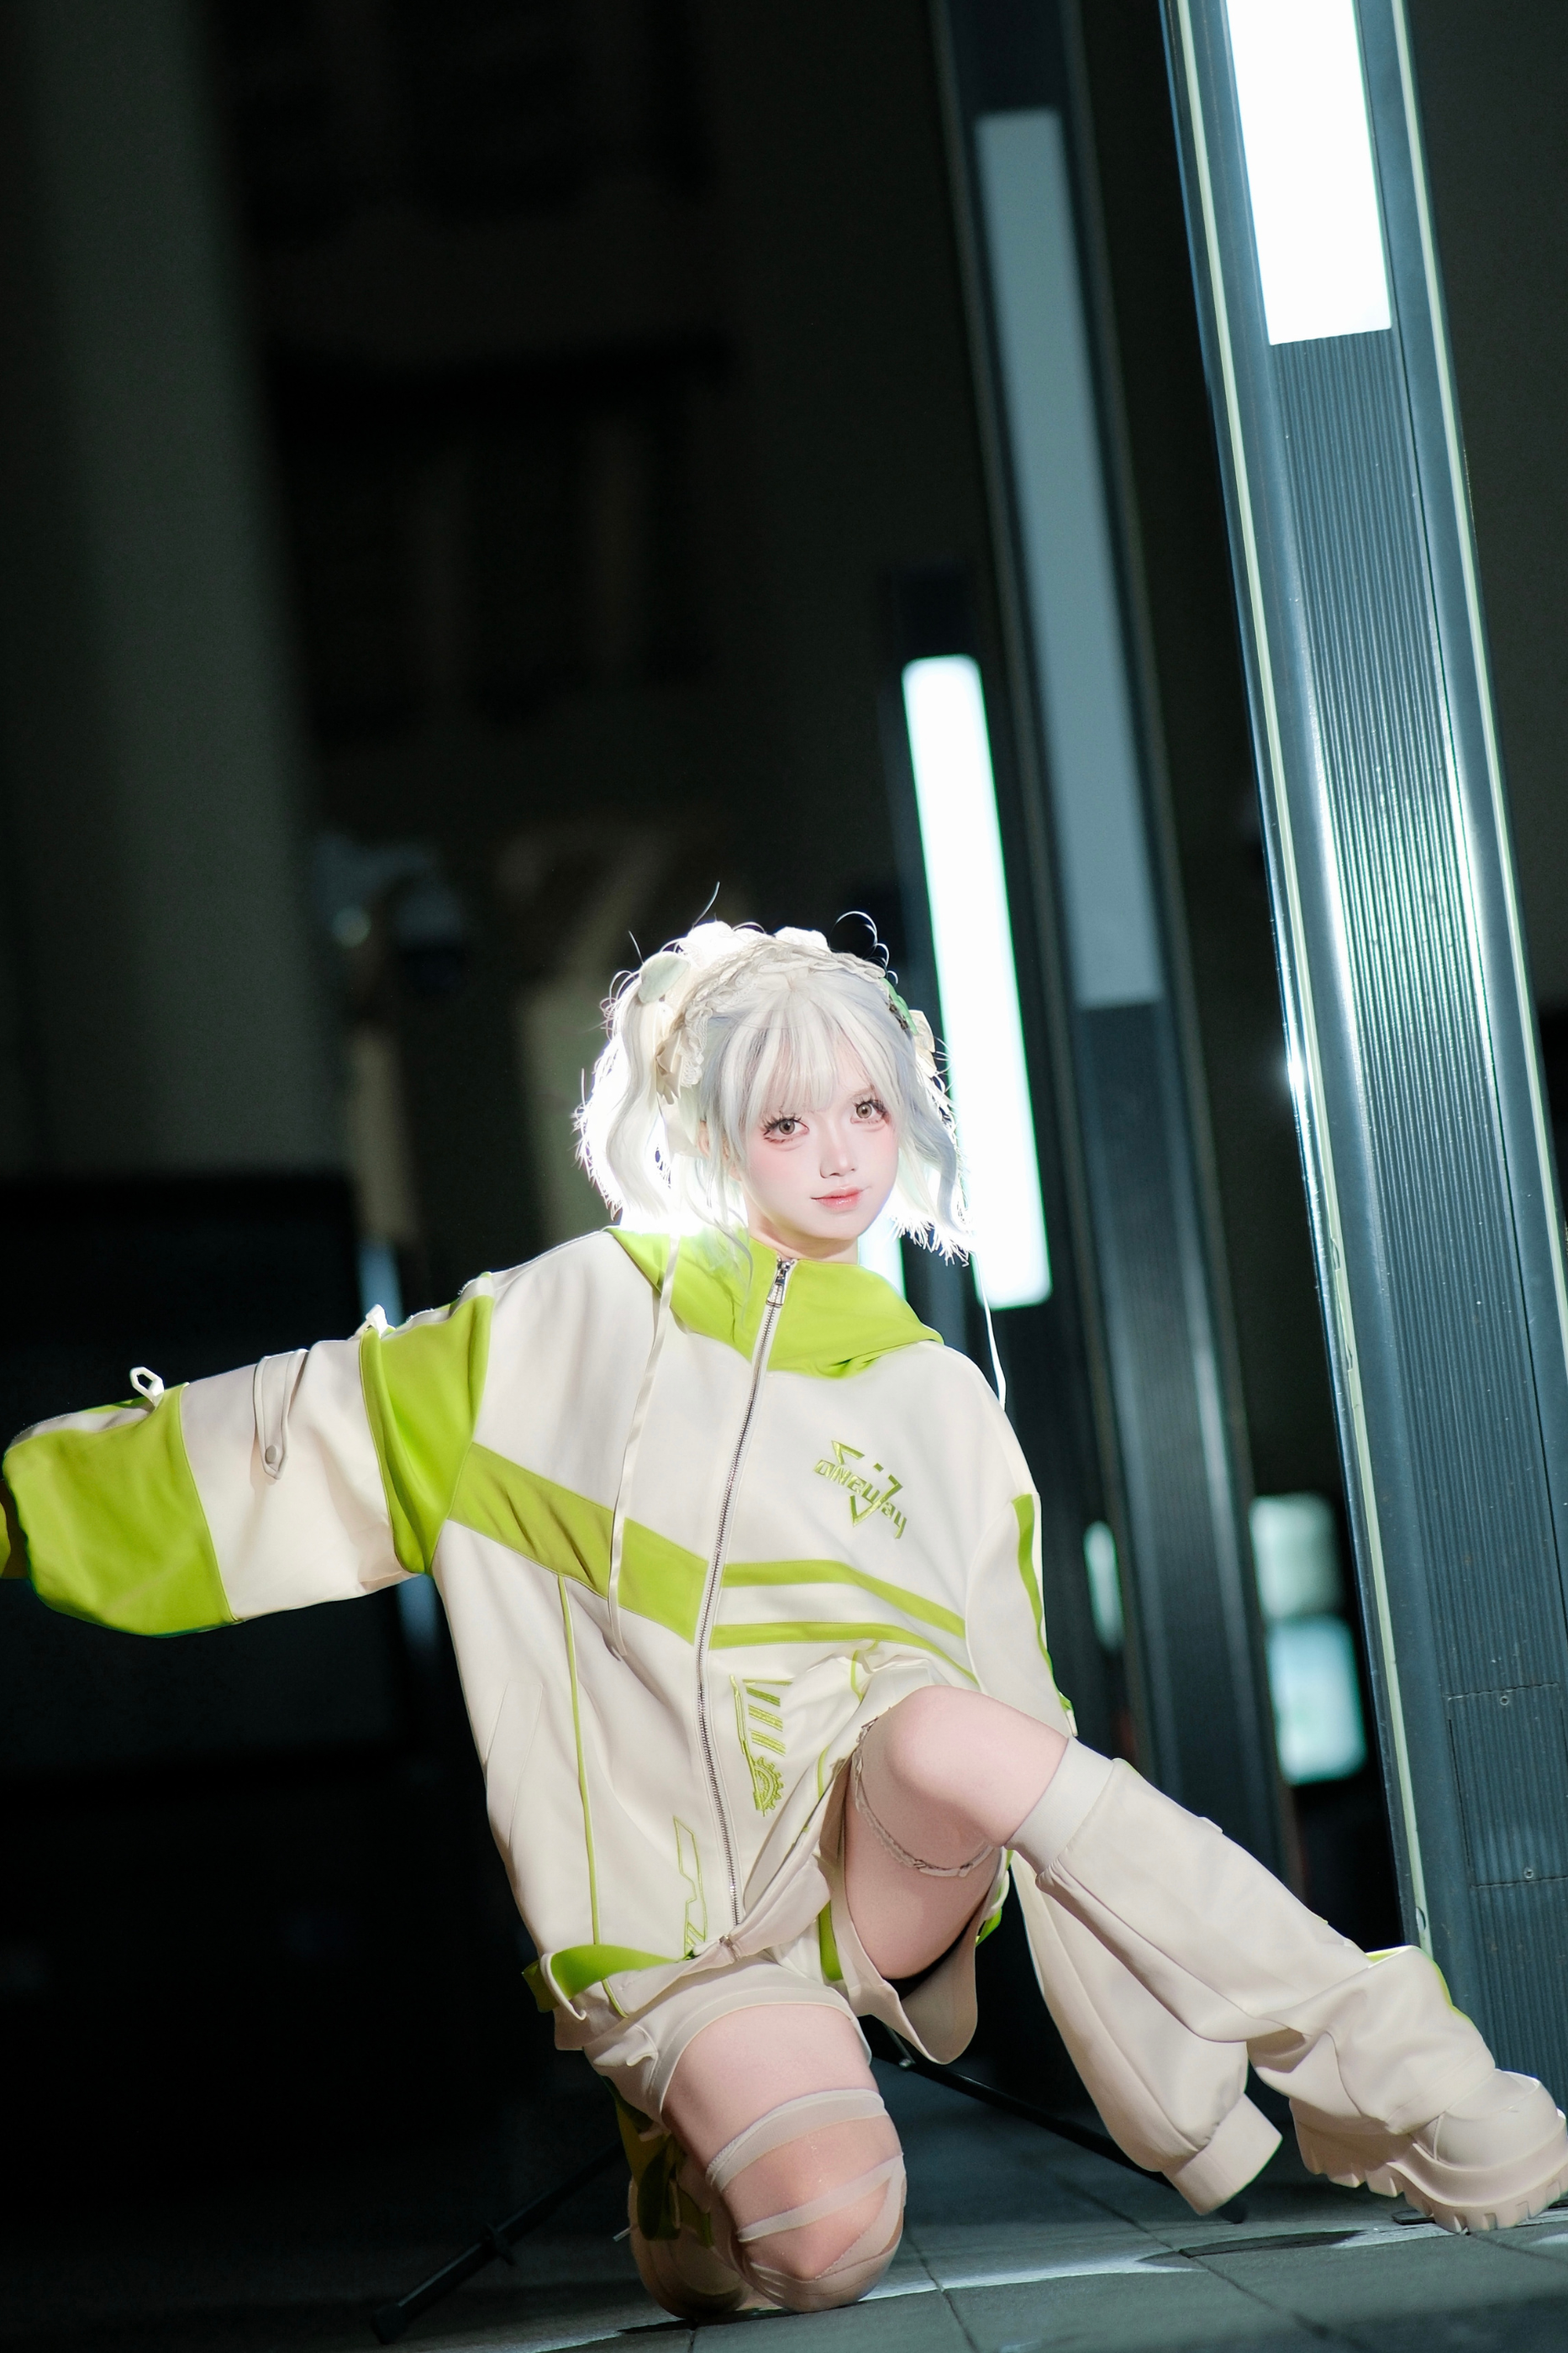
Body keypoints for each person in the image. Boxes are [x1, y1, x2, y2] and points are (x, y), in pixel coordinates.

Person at [3, 920, 1565, 2317]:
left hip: (883, 1874)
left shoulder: (939, 1398)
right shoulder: (553, 1330)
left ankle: (1395, 2069)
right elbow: (288, 1439)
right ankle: (697, 2163)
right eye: (786, 1120)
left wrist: (1168, 2090)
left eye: (868, 1110)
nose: (838, 1157)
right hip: (669, 1932)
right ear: (702, 1131)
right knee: (820, 2242)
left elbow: (1035, 1747)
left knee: (957, 1730)